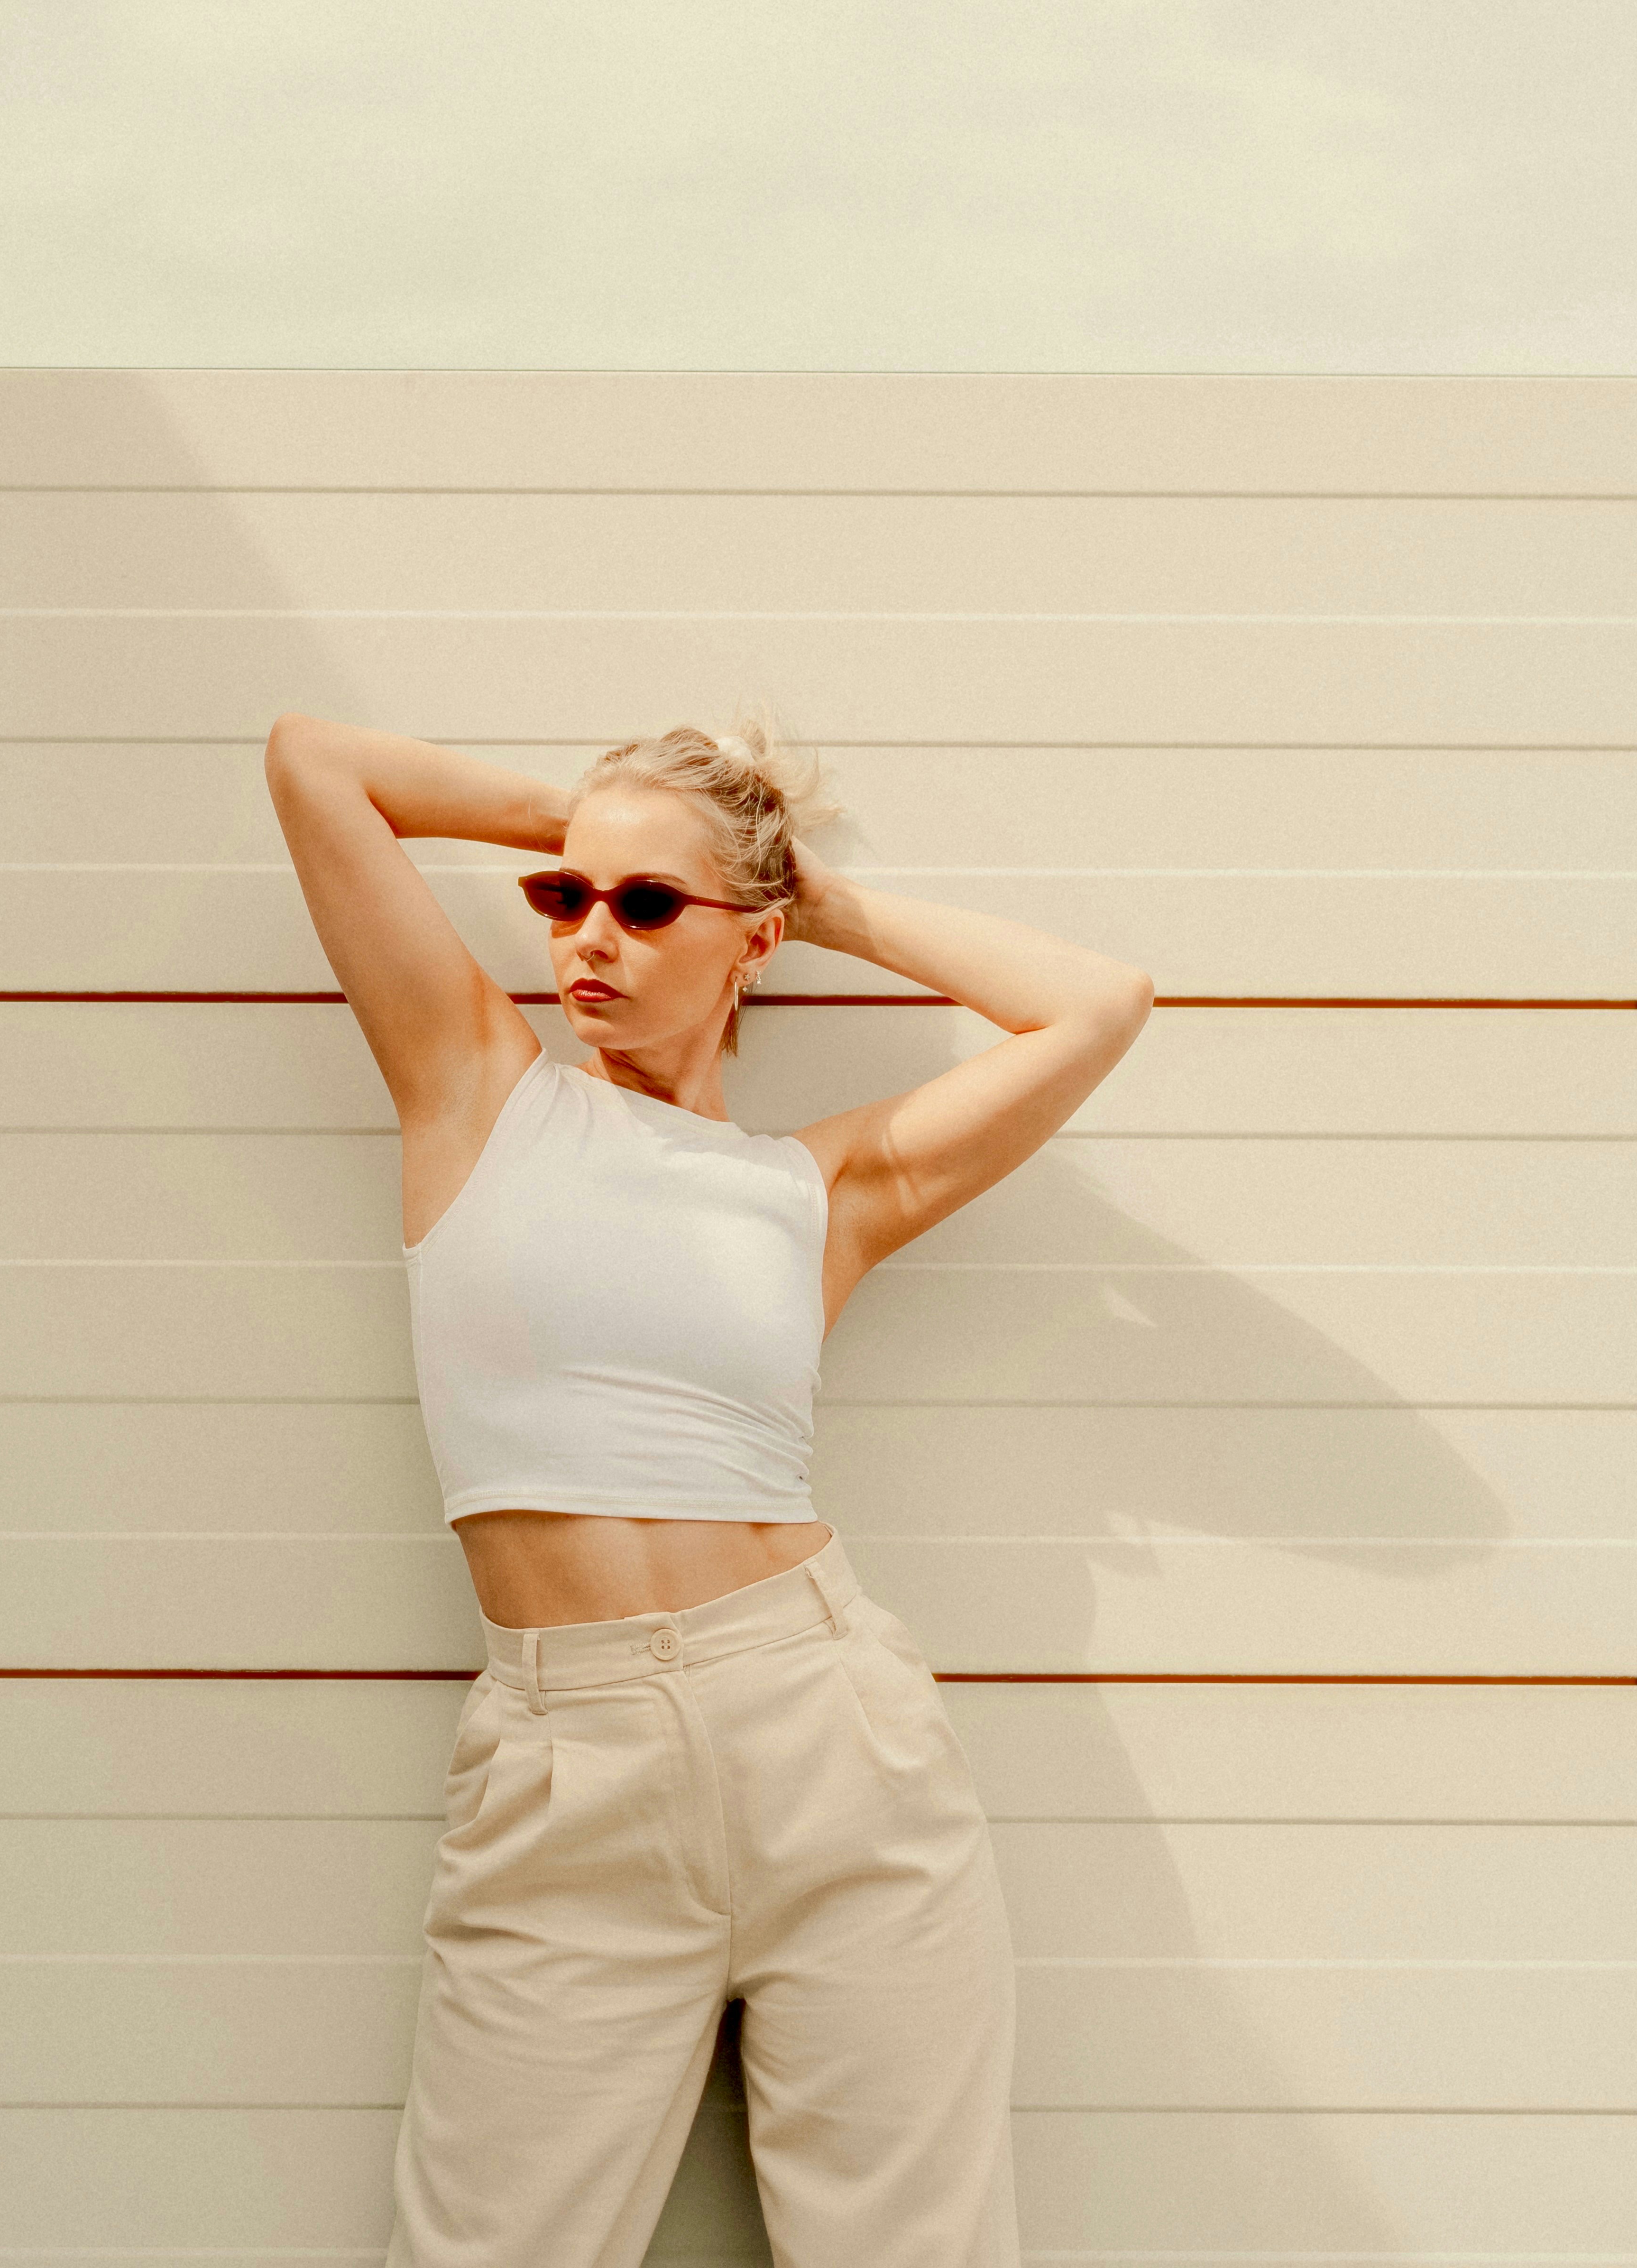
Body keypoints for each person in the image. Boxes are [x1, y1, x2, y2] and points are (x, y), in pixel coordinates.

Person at [265, 709, 1153, 2268]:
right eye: (565, 897)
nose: (588, 936)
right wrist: (604, 821)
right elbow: (312, 763)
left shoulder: (816, 1188)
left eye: (648, 906)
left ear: (750, 943)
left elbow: (1095, 1006)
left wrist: (800, 889)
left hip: (834, 1743)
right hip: (567, 1767)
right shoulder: (481, 1091)